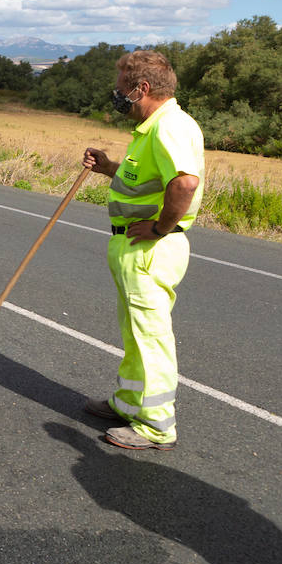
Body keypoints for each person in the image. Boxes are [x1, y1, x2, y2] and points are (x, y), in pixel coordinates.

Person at [82, 49, 204, 451]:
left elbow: (184, 184)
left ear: (142, 88)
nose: (117, 97)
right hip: (134, 246)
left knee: (150, 338)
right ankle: (129, 402)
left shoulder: (170, 126)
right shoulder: (152, 128)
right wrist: (109, 167)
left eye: (121, 89)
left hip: (150, 248)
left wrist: (158, 227)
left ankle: (155, 427)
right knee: (135, 334)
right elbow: (144, 178)